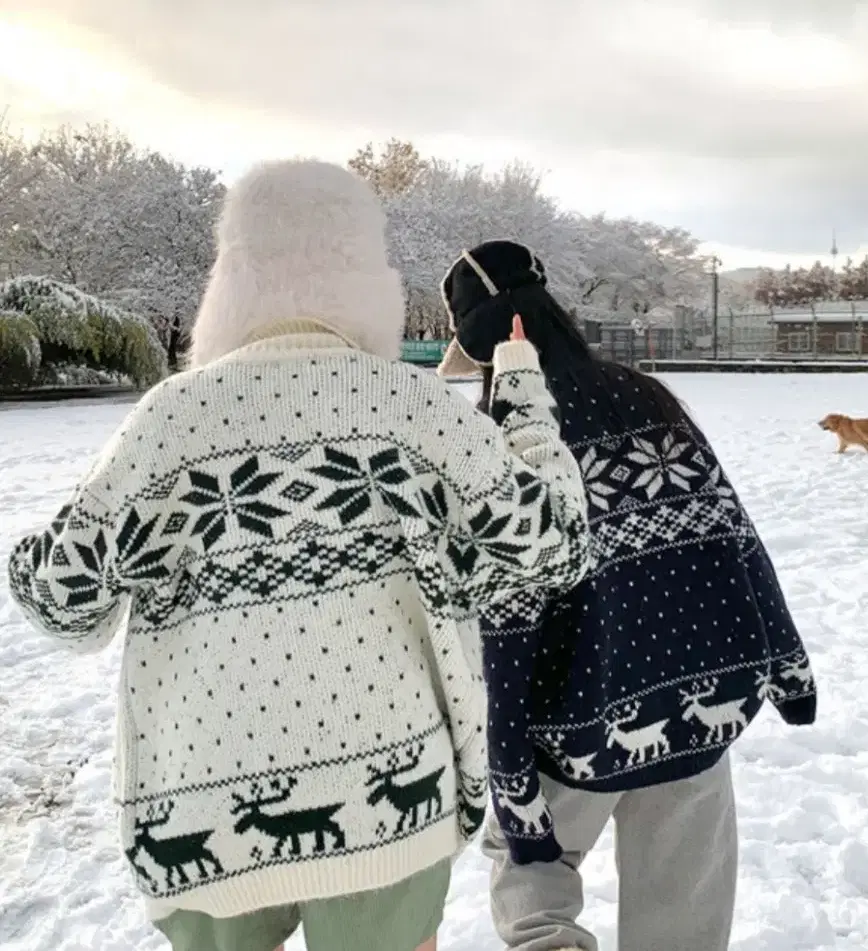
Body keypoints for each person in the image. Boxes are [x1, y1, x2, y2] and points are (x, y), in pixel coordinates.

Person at [6, 166, 592, 951]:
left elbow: (58, 598)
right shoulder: (411, 407)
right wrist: (519, 393)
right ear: (368, 275)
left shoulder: (167, 421)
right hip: (391, 805)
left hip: (198, 812)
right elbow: (553, 542)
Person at [437, 239, 818, 951]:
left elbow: (498, 597)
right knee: (685, 893)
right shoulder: (646, 397)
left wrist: (502, 736)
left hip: (572, 709)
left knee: (532, 875)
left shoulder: (496, 435)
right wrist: (789, 667)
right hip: (696, 699)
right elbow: (732, 535)